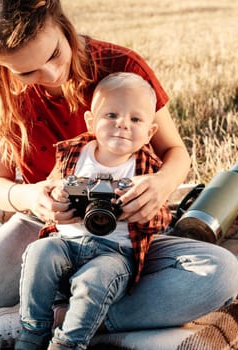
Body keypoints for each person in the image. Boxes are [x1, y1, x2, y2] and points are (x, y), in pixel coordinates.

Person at [0, 1, 238, 349]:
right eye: (28, 73)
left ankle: (47, 321)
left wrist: (161, 184)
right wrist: (33, 196)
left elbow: (175, 153)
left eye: (55, 54)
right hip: (43, 232)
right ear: (0, 66)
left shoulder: (121, 68)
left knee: (219, 274)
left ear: (62, 24)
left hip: (124, 238)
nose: (53, 74)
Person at [16, 72, 172, 350]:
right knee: (38, 252)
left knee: (94, 280)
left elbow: (162, 219)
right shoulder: (72, 153)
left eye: (135, 119)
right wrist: (59, 199)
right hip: (65, 244)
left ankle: (68, 343)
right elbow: (49, 194)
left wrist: (137, 207)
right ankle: (32, 330)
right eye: (111, 115)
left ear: (150, 132)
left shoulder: (146, 168)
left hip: (115, 254)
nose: (122, 124)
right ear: (91, 121)